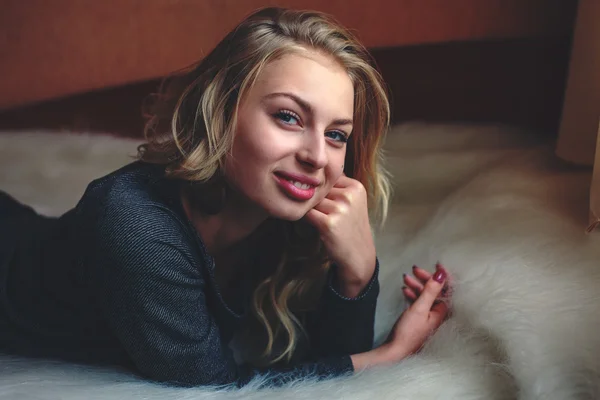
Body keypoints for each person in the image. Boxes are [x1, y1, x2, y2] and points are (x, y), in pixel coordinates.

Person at [0, 7, 450, 388]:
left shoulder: (281, 213)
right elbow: (216, 389)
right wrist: (387, 358)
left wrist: (356, 271)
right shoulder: (136, 226)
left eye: (336, 134)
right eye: (289, 117)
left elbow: (326, 367)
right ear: (221, 113)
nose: (317, 157)